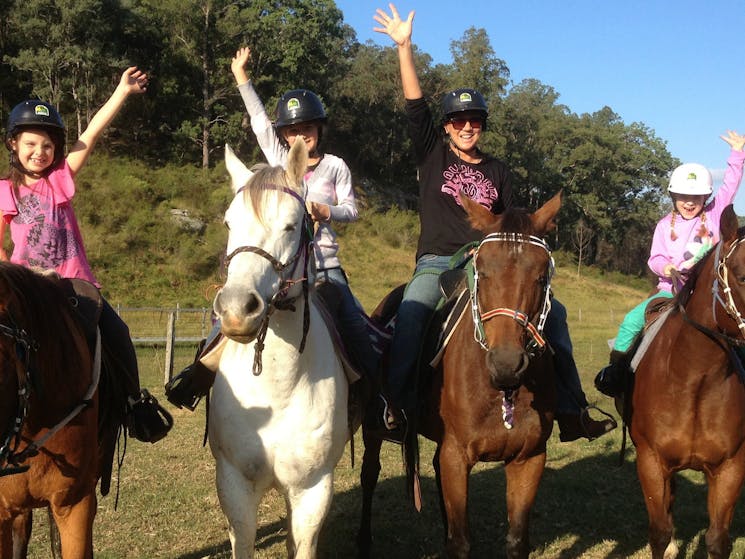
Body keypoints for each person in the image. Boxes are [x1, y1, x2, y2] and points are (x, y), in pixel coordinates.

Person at [372, 3, 616, 443]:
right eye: (459, 121)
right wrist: (404, 47)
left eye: (474, 121)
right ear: (447, 127)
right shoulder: (433, 155)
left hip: (486, 262)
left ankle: (571, 408)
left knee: (555, 315)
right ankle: (397, 405)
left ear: (482, 127)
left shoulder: (500, 171)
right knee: (412, 311)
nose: (467, 127)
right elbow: (414, 107)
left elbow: (509, 230)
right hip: (438, 262)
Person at [164, 47, 379, 410]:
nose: (299, 135)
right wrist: (240, 77)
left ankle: (376, 400)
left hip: (323, 265)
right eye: (292, 129)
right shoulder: (279, 161)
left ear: (318, 130)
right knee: (223, 322)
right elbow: (260, 121)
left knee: (356, 327)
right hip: (278, 265)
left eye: (306, 128)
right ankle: (196, 379)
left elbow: (353, 210)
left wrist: (329, 211)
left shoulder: (336, 166)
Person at [0, 68, 173, 444]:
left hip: (74, 281)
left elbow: (90, 134)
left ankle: (132, 403)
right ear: (13, 144)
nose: (39, 153)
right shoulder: (5, 191)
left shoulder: (59, 178)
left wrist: (122, 92)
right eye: (30, 144)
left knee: (119, 332)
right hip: (27, 288)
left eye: (47, 146)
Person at [595, 131, 745, 397]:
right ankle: (616, 374)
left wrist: (737, 153)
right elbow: (655, 258)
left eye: (697, 197)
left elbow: (730, 184)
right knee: (631, 321)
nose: (690, 202)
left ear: (706, 198)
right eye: (684, 196)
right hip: (670, 292)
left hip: (709, 294)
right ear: (673, 196)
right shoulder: (665, 225)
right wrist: (666, 268)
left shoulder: (714, 213)